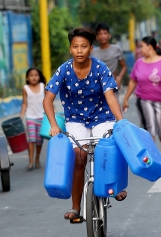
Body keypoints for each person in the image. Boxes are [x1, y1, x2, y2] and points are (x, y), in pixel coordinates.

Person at [43, 27, 127, 220]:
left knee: (106, 150)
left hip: (102, 116)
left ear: (91, 48)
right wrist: (54, 125)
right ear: (70, 49)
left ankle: (116, 185)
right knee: (79, 158)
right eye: (75, 47)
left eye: (84, 46)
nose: (79, 50)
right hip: (75, 119)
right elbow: (47, 100)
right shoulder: (63, 70)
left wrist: (120, 122)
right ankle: (75, 208)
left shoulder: (100, 68)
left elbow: (111, 97)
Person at [122, 36, 161, 162]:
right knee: (149, 128)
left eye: (142, 46)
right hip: (144, 99)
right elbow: (132, 81)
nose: (140, 49)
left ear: (150, 46)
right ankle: (153, 156)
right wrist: (126, 99)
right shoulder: (139, 63)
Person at [20, 68, 46, 170]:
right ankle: (30, 161)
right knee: (31, 139)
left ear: (39, 77)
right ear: (27, 78)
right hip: (30, 117)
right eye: (31, 75)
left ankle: (37, 159)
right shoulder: (25, 88)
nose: (34, 77)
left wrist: (52, 112)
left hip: (41, 117)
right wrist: (21, 116)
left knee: (39, 141)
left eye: (36, 75)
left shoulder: (42, 86)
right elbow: (24, 103)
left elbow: (47, 100)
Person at [91, 23, 127, 98]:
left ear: (109, 35)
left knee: (115, 108)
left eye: (105, 33)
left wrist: (119, 78)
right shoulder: (93, 53)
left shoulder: (116, 49)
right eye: (100, 34)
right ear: (97, 37)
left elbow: (124, 66)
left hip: (112, 84)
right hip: (97, 86)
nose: (103, 36)